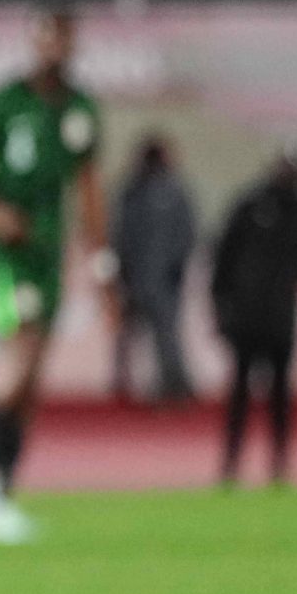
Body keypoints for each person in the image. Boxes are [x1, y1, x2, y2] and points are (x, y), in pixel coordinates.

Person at [0, 4, 116, 543]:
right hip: (8, 250)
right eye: (46, 38)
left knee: (36, 370)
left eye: (63, 39)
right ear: (33, 41)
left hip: (48, 250)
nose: (54, 49)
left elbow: (89, 192)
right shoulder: (4, 103)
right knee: (20, 346)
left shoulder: (81, 111)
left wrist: (101, 262)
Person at [209, 146, 297, 486]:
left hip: (278, 318)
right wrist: (220, 308)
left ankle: (278, 463)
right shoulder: (249, 206)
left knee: (278, 395)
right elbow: (223, 258)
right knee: (241, 394)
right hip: (249, 317)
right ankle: (231, 462)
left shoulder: (295, 210)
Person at [111, 133, 196, 404]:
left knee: (165, 336)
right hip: (135, 279)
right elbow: (120, 235)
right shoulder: (131, 192)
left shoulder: (172, 192)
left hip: (161, 280)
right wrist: (122, 272)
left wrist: (175, 269)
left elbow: (187, 234)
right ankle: (123, 386)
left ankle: (174, 385)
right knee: (127, 336)